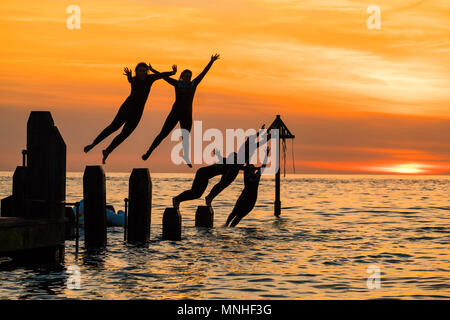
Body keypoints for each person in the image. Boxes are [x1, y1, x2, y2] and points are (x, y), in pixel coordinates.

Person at [84, 62, 176, 164]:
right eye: (140, 71)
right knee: (113, 128)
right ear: (136, 72)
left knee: (124, 134)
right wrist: (128, 77)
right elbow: (130, 80)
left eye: (144, 71)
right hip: (126, 109)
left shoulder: (150, 79)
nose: (142, 73)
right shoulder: (134, 80)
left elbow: (161, 75)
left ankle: (107, 151)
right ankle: (93, 144)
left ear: (147, 72)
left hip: (137, 113)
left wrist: (172, 72)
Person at [142, 54, 220, 167]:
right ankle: (149, 152)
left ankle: (186, 156)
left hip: (187, 115)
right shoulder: (177, 84)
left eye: (189, 76)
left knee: (186, 137)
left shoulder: (193, 84)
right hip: (175, 113)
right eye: (186, 76)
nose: (188, 77)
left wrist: (211, 61)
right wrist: (152, 69)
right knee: (163, 134)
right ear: (182, 76)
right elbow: (163, 77)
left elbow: (203, 73)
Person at [225, 147, 271, 227]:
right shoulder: (246, 174)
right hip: (244, 197)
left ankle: (231, 228)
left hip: (251, 200)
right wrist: (250, 152)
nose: (251, 168)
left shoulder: (257, 175)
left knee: (239, 216)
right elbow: (247, 162)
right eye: (250, 167)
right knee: (234, 213)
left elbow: (263, 166)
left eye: (252, 168)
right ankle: (226, 225)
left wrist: (266, 155)